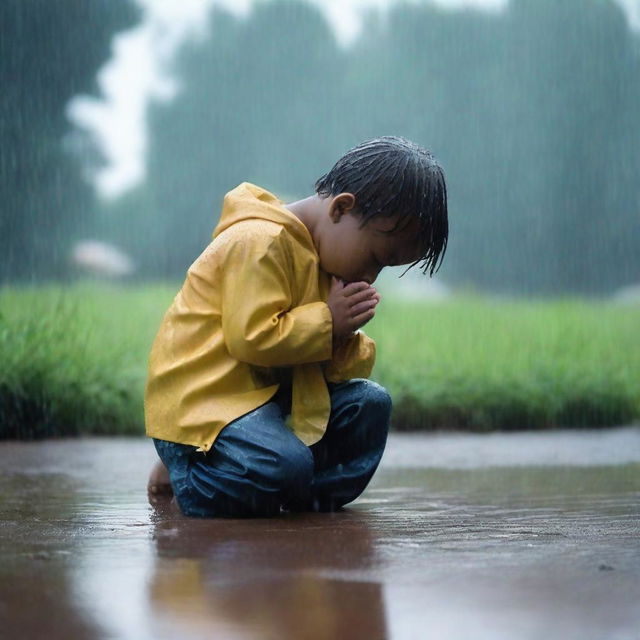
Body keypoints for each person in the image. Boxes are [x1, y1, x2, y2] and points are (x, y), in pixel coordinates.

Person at [146, 136, 448, 518]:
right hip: (208, 405)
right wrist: (327, 321)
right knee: (283, 463)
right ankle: (194, 473)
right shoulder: (260, 241)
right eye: (375, 258)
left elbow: (327, 371)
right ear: (341, 208)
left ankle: (293, 493)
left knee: (369, 406)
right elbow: (251, 338)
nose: (371, 275)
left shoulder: (327, 264)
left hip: (265, 404)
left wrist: (344, 333)